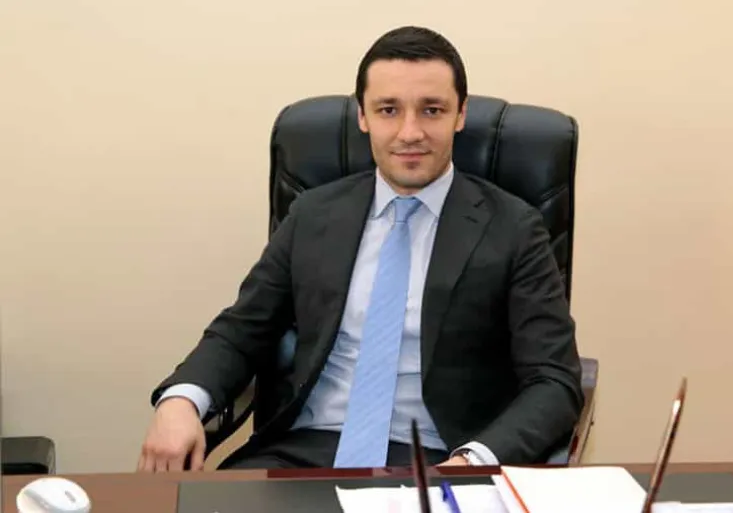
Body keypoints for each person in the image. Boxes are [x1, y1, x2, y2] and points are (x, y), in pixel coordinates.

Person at [138, 25, 584, 472]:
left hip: (438, 460)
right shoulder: (313, 213)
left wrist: (475, 461)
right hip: (299, 455)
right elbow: (242, 330)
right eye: (389, 110)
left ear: (460, 114)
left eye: (431, 110)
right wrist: (181, 401)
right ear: (363, 116)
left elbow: (554, 381)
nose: (410, 132)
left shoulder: (514, 228)